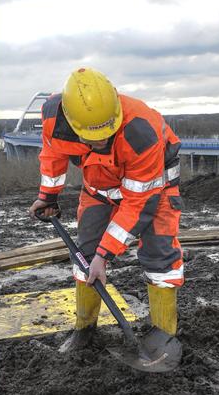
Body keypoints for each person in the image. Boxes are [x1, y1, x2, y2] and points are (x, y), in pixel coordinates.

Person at [29, 67, 183, 352]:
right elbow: (53, 153)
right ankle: (84, 330)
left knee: (160, 257)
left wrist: (105, 254)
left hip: (153, 190)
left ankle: (163, 338)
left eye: (106, 134)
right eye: (92, 137)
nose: (100, 141)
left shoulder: (142, 133)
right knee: (84, 255)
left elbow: (138, 204)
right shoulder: (54, 117)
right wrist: (48, 196)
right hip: (98, 188)